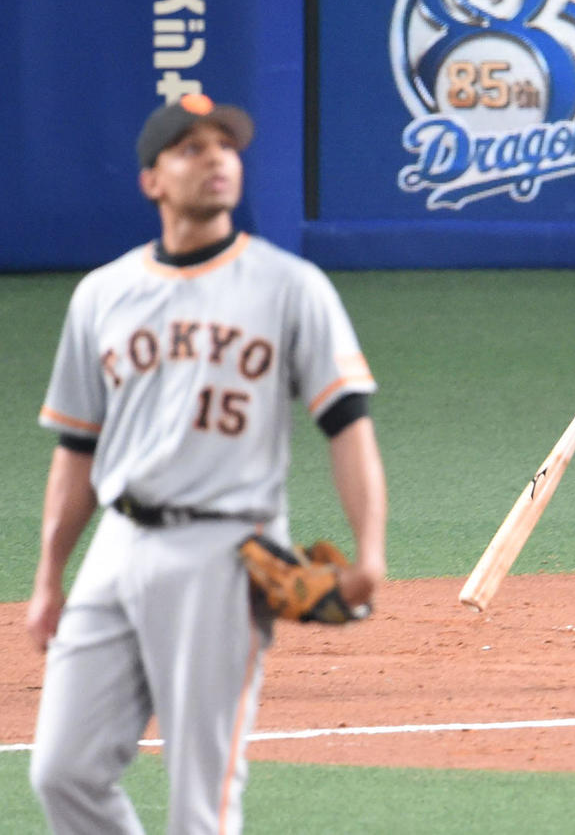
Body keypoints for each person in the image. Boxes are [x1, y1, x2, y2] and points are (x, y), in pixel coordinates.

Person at [25, 94, 388, 833]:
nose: (215, 157)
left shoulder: (290, 286)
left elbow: (347, 425)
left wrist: (371, 554)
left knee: (203, 797)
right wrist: (48, 577)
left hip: (224, 552)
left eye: (225, 144)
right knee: (62, 770)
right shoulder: (102, 294)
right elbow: (76, 451)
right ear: (151, 181)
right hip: (116, 547)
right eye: (189, 148)